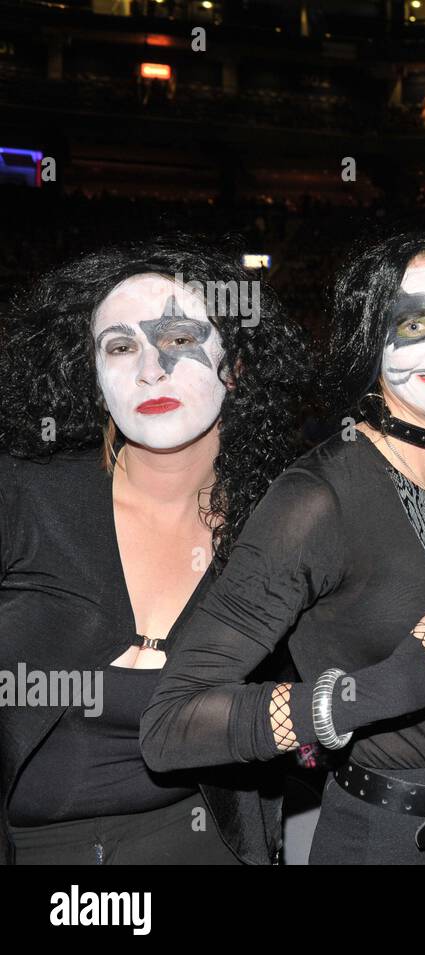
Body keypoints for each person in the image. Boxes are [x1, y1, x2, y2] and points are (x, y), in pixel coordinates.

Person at [140, 232, 425, 864]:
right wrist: (378, 691)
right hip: (390, 845)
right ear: (369, 340)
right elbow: (171, 726)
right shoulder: (317, 499)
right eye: (414, 324)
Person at [0, 238, 307, 864]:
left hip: (202, 845)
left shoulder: (281, 527)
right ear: (92, 377)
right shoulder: (21, 495)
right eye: (120, 346)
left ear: (238, 364)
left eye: (179, 339)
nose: (150, 369)